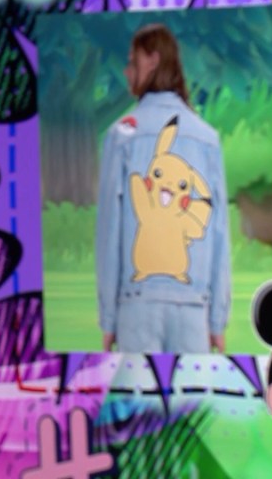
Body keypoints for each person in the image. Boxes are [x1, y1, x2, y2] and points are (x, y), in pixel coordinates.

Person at [95, 23, 231, 355]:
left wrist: (109, 320)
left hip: (136, 307)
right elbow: (218, 233)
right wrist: (217, 321)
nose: (127, 71)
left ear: (153, 61)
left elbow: (110, 233)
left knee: (137, 392)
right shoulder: (207, 138)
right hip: (193, 308)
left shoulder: (121, 135)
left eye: (133, 61)